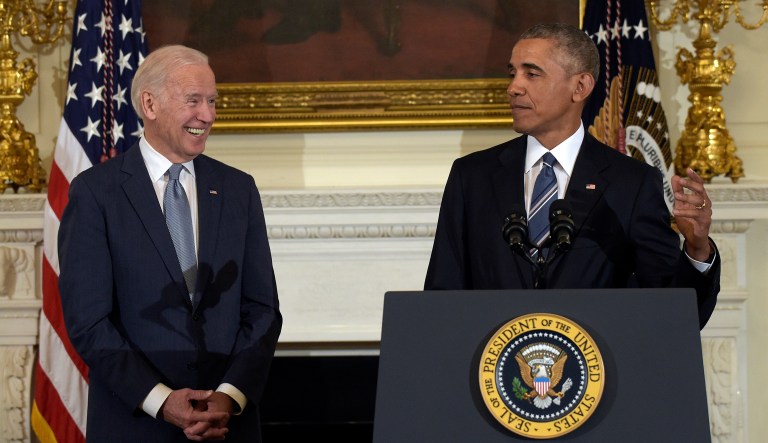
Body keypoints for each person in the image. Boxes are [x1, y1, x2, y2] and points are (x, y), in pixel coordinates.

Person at [424, 23, 720, 329]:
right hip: (491, 369)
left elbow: (673, 314)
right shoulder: (472, 177)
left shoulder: (631, 183)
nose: (514, 87)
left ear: (580, 87)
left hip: (597, 370)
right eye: (512, 73)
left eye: (532, 73)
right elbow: (441, 297)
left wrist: (698, 248)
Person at [58, 45, 282, 441]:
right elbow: (89, 322)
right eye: (193, 101)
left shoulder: (238, 189)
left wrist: (228, 396)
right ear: (150, 103)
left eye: (212, 101)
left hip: (226, 425)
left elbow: (263, 309)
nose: (207, 116)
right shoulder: (96, 194)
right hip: (138, 425)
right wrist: (162, 400)